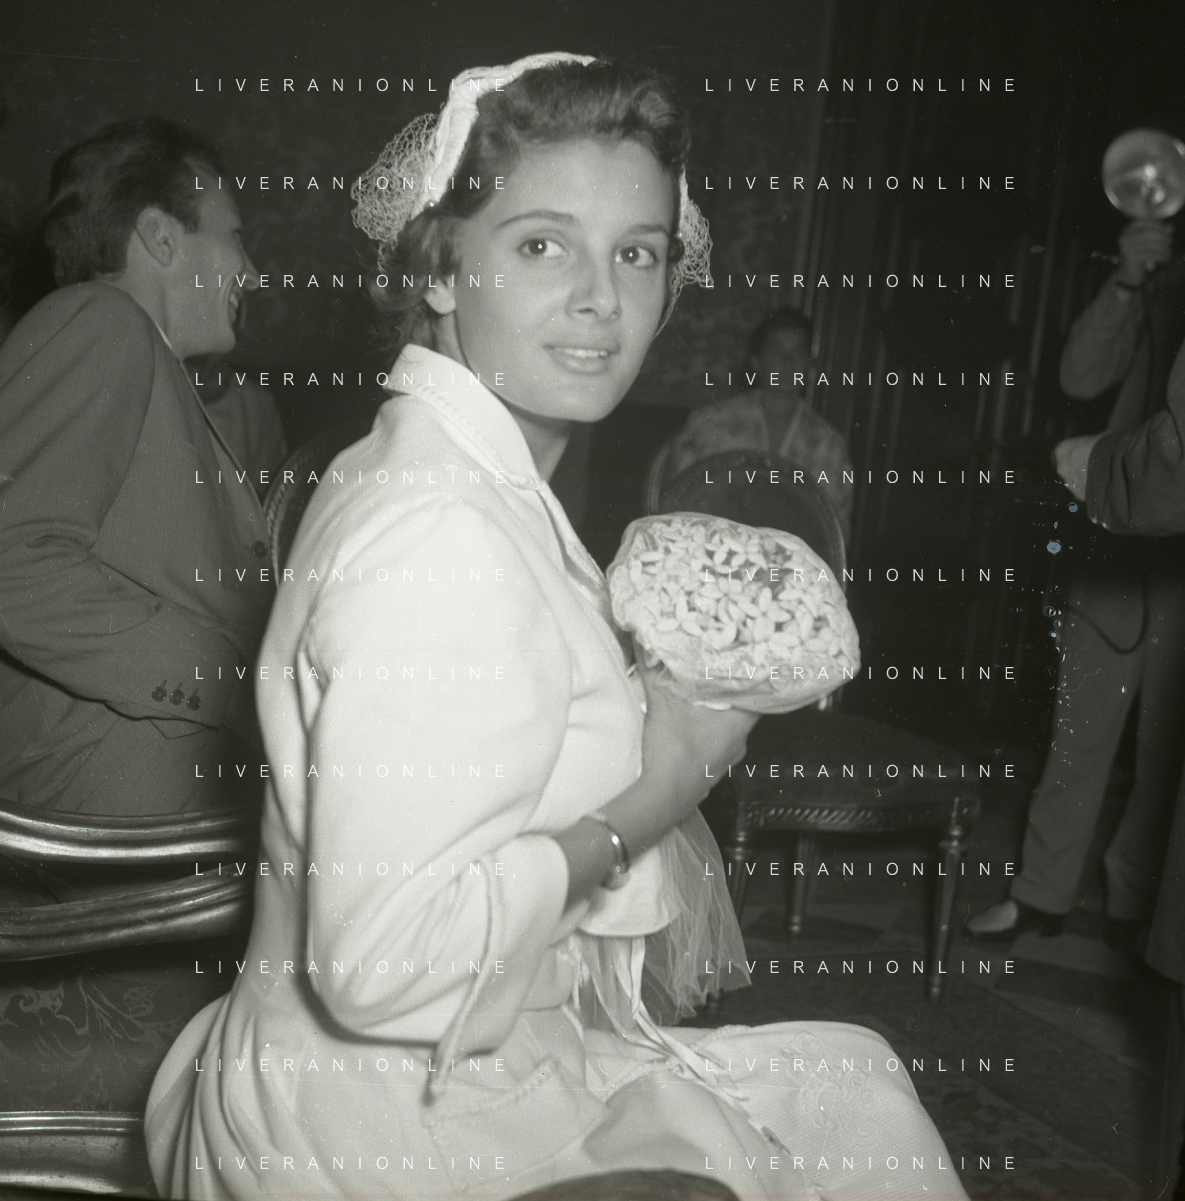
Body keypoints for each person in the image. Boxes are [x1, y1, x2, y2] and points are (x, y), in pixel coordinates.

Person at [145, 55, 965, 1201]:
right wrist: (656, 792)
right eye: (543, 245)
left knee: (855, 1083)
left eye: (637, 253)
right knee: (847, 1123)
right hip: (377, 1126)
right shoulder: (439, 531)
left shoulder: (470, 476)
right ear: (442, 269)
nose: (601, 298)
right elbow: (383, 968)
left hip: (449, 1063)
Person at [0, 117, 273, 815]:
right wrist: (235, 681)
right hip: (113, 805)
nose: (251, 272)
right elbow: (11, 562)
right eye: (235, 236)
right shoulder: (102, 320)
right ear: (160, 236)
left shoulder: (151, 367)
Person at [965, 217, 1185, 945]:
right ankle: (1040, 892)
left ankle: (1135, 902)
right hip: (1116, 542)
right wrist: (1126, 281)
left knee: (1167, 752)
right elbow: (1078, 376)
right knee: (1078, 732)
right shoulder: (1156, 283)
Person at [664, 308, 854, 543]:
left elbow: (834, 533)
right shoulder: (713, 422)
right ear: (757, 362)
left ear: (809, 367)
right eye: (776, 351)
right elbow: (678, 499)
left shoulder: (828, 445)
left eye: (798, 352)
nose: (787, 362)